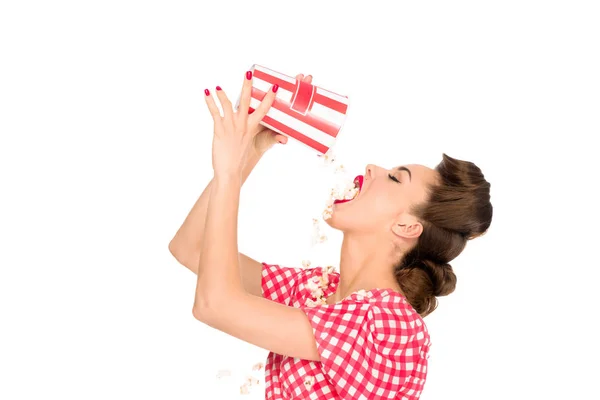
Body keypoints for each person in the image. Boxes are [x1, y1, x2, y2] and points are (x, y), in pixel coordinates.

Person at [169, 71, 493, 400]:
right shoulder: (318, 290)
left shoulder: (392, 327)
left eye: (395, 178)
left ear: (407, 227)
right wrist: (250, 152)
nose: (371, 168)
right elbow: (191, 248)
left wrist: (228, 171)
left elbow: (215, 305)